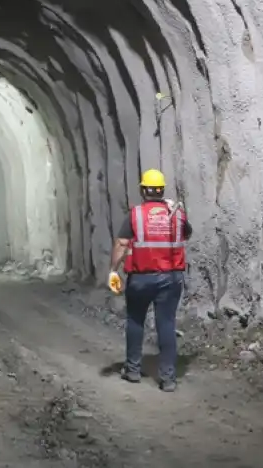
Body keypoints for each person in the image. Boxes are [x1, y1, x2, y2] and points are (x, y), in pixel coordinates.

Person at [108, 168, 192, 392]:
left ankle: (133, 370)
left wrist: (113, 271)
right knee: (166, 324)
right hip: (171, 278)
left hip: (141, 278)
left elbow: (122, 244)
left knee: (135, 321)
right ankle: (168, 379)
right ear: (162, 190)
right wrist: (176, 212)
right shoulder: (177, 214)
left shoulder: (135, 215)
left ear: (144, 191)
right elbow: (187, 234)